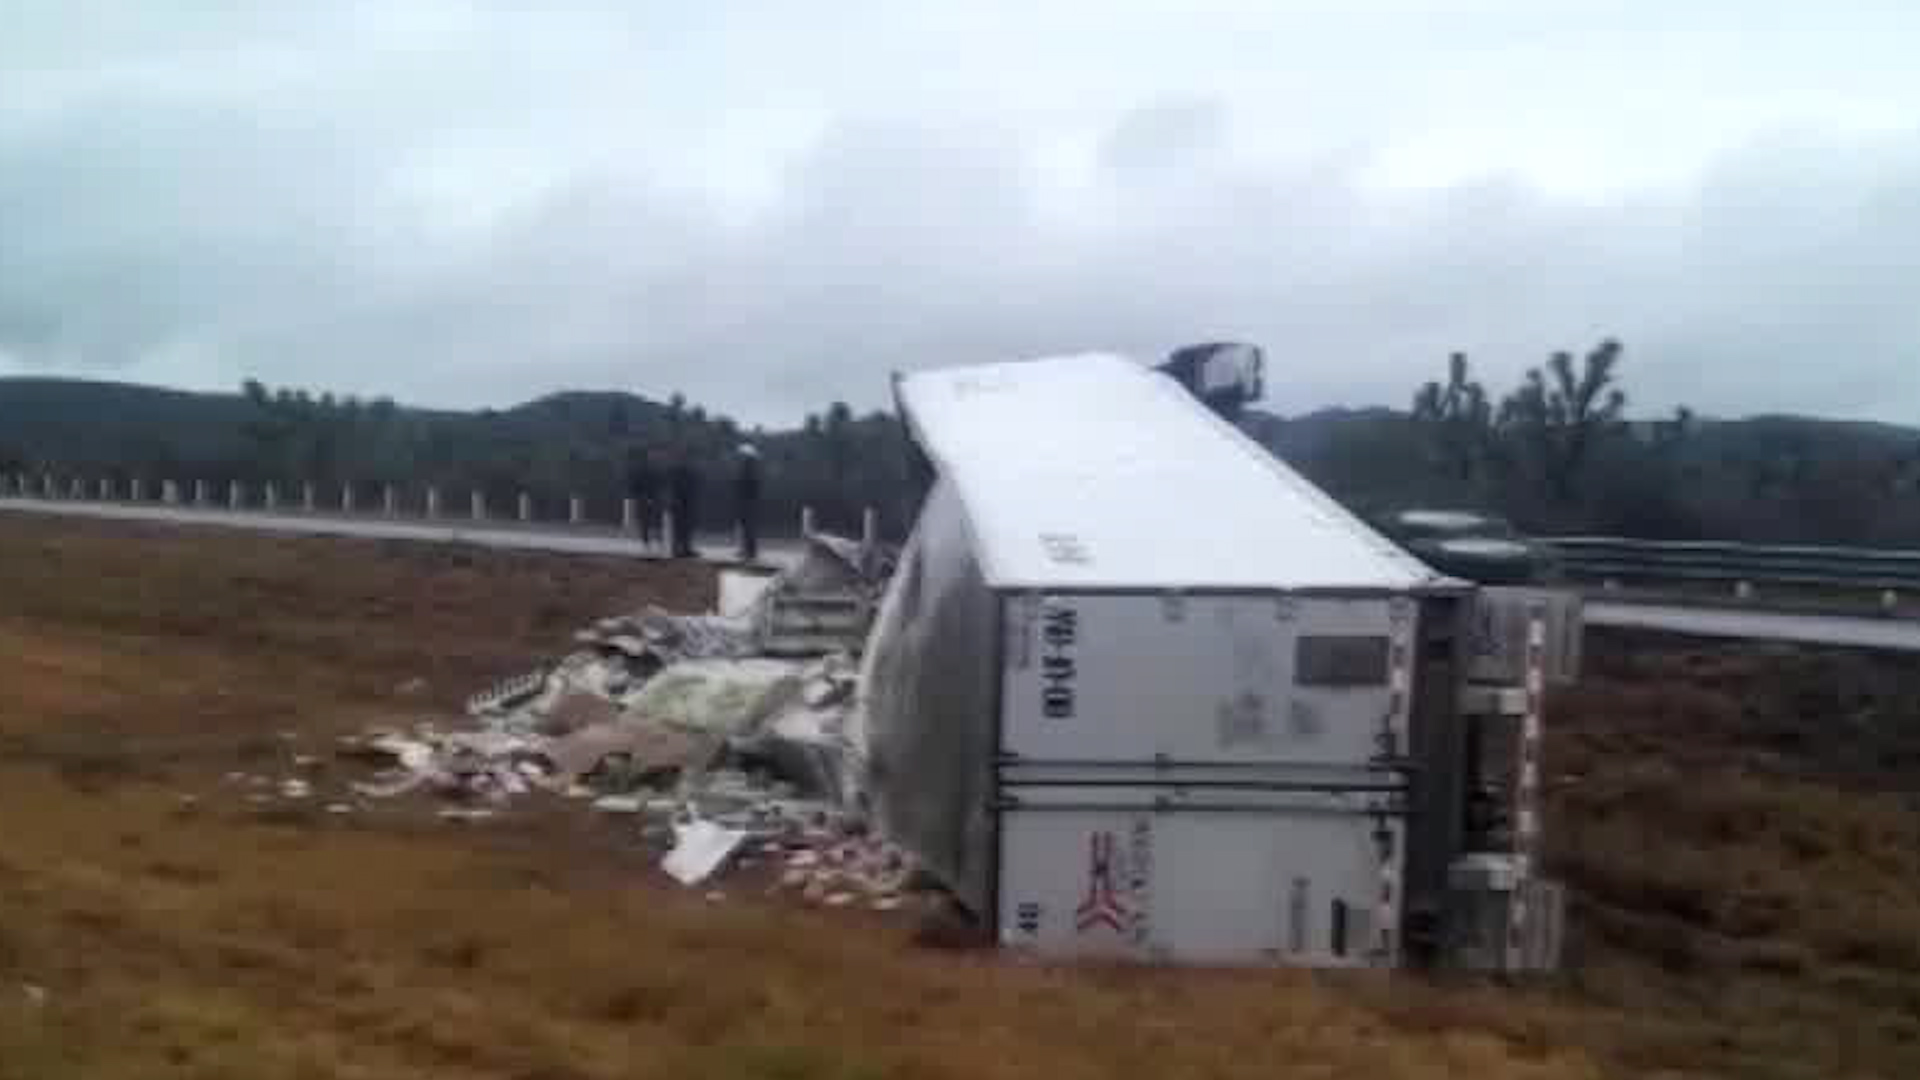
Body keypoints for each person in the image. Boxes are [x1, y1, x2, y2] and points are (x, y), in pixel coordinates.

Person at [625, 446, 658, 548]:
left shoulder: (655, 469)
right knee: (645, 520)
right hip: (643, 498)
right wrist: (642, 497)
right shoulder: (642, 469)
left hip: (653, 498)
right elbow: (635, 484)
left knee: (651, 520)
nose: (653, 457)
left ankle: (652, 539)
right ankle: (646, 539)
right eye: (651, 455)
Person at [734, 443, 762, 561]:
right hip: (747, 501)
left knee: (748, 527)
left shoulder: (748, 471)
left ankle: (749, 551)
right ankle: (747, 550)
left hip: (747, 502)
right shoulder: (751, 470)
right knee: (746, 527)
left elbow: (746, 486)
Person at [668, 453, 699, 558]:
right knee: (680, 528)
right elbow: (674, 488)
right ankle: (679, 548)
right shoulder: (676, 471)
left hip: (686, 502)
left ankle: (684, 548)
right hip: (680, 503)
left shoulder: (682, 471)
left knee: (685, 527)